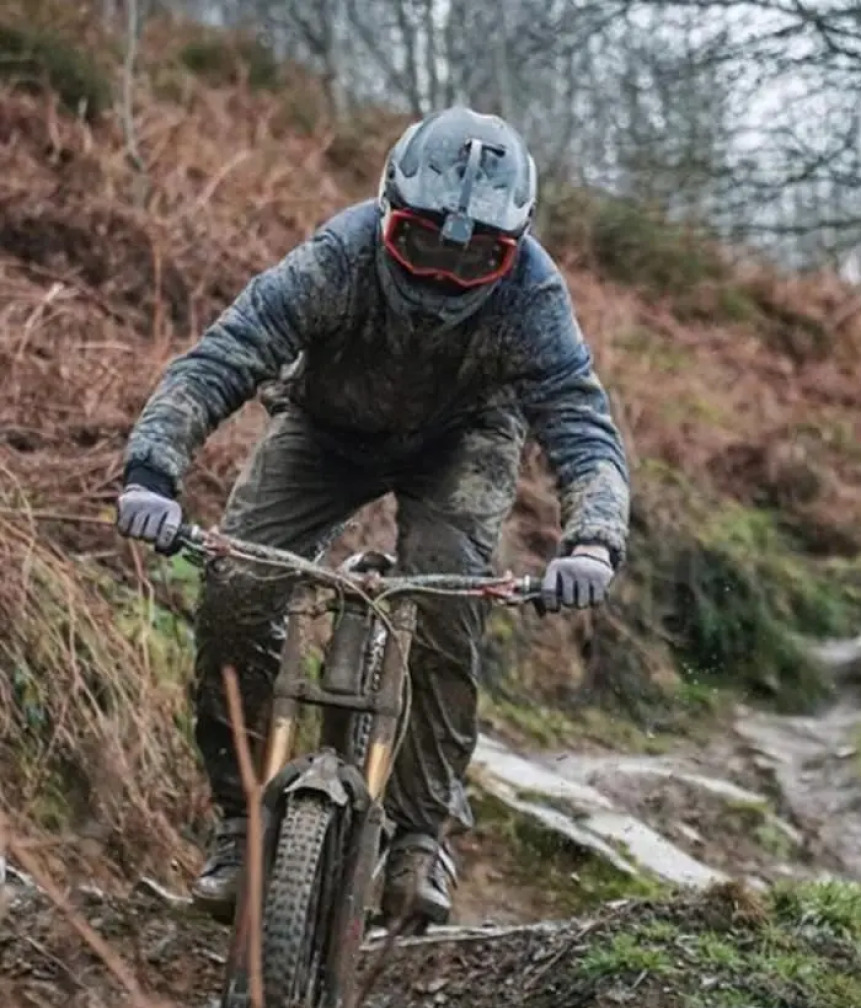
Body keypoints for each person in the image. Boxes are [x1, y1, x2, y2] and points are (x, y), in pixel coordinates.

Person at [114, 105, 631, 927]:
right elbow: (224, 356)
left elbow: (580, 423)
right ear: (388, 213)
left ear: (516, 245)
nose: (442, 275)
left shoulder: (533, 295)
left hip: (463, 442)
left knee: (450, 599)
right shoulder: (338, 255)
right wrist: (151, 471)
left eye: (476, 258)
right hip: (326, 428)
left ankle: (422, 837)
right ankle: (242, 817)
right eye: (423, 244)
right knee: (236, 588)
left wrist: (594, 539)